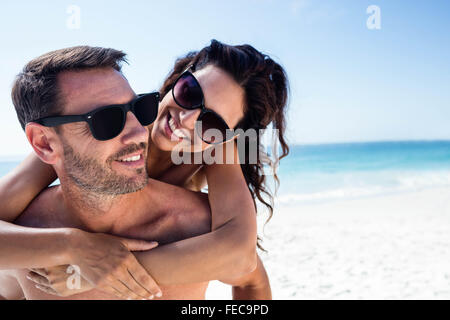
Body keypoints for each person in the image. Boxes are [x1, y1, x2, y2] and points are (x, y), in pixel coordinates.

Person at [0, 41, 289, 299]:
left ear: (229, 138)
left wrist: (92, 273)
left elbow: (240, 257)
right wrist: (75, 246)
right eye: (190, 93)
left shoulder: (216, 153)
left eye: (211, 123)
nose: (186, 119)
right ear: (178, 79)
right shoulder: (100, 131)